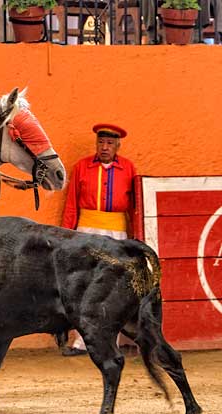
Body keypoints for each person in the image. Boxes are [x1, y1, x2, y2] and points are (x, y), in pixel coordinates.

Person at [60, 123, 137, 356]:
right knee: (84, 286)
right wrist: (66, 236)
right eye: (101, 142)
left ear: (117, 146)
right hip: (87, 231)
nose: (104, 147)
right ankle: (81, 342)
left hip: (117, 233)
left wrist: (136, 237)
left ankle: (116, 341)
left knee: (116, 287)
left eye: (110, 143)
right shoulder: (82, 167)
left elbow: (134, 206)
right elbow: (71, 204)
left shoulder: (129, 169)